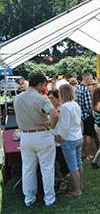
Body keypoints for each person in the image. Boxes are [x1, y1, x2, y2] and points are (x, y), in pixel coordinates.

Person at [13, 73, 59, 206]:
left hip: (25, 136)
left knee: (28, 169)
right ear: (40, 84)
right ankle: (49, 199)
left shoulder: (18, 98)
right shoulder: (41, 99)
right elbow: (55, 115)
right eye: (44, 85)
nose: (44, 88)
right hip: (42, 135)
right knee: (47, 169)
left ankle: (29, 199)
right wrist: (51, 126)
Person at [54, 84, 83, 197]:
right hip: (77, 136)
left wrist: (59, 135)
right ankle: (79, 185)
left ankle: (77, 190)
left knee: (73, 166)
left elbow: (64, 125)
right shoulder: (75, 104)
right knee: (78, 163)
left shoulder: (65, 107)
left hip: (69, 138)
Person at [75, 73, 97, 161]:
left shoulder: (77, 88)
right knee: (89, 135)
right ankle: (89, 154)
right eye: (91, 79)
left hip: (80, 115)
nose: (92, 81)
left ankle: (81, 152)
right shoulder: (86, 90)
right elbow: (88, 106)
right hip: (87, 115)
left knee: (83, 135)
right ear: (86, 80)